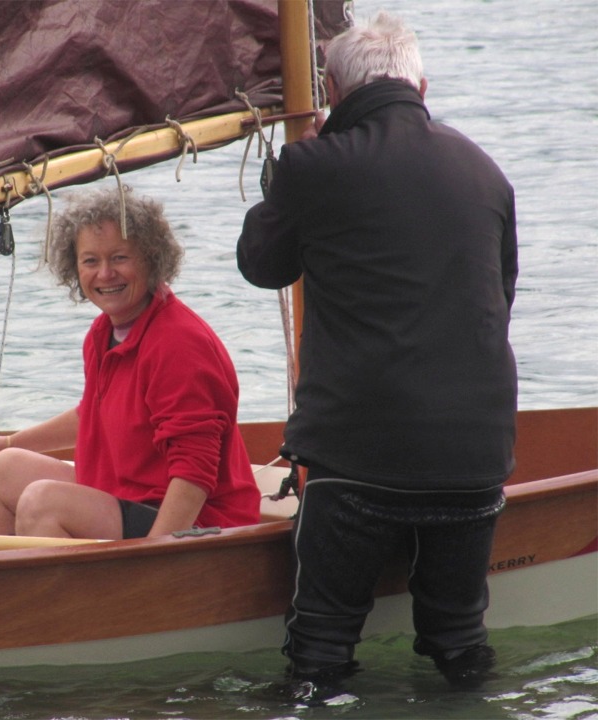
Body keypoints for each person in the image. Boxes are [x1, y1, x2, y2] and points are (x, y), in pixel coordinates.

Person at [236, 11, 518, 690]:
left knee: (322, 646)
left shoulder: (315, 164)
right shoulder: (485, 170)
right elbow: (500, 296)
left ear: (333, 90)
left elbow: (260, 263)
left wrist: (298, 158)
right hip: (476, 454)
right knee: (458, 635)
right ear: (421, 86)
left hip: (363, 454)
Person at [0, 186, 260, 540]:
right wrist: (7, 444)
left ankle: (70, 596)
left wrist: (156, 558)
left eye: (119, 258)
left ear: (152, 259)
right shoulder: (104, 334)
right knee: (3, 470)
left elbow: (194, 471)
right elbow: (94, 414)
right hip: (129, 495)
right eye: (90, 261)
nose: (104, 274)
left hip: (199, 523)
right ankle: (7, 592)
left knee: (44, 502)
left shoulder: (179, 343)